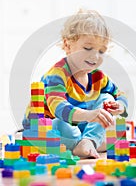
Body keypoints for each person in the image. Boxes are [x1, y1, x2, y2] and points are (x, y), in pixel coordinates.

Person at [26, 9, 128, 158]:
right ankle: (89, 143)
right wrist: (88, 115)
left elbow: (119, 94)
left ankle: (88, 141)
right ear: (68, 46)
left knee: (107, 99)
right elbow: (57, 107)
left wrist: (120, 105)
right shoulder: (57, 74)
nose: (95, 56)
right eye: (87, 48)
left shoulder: (98, 77)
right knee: (59, 124)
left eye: (101, 51)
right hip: (50, 127)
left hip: (81, 128)